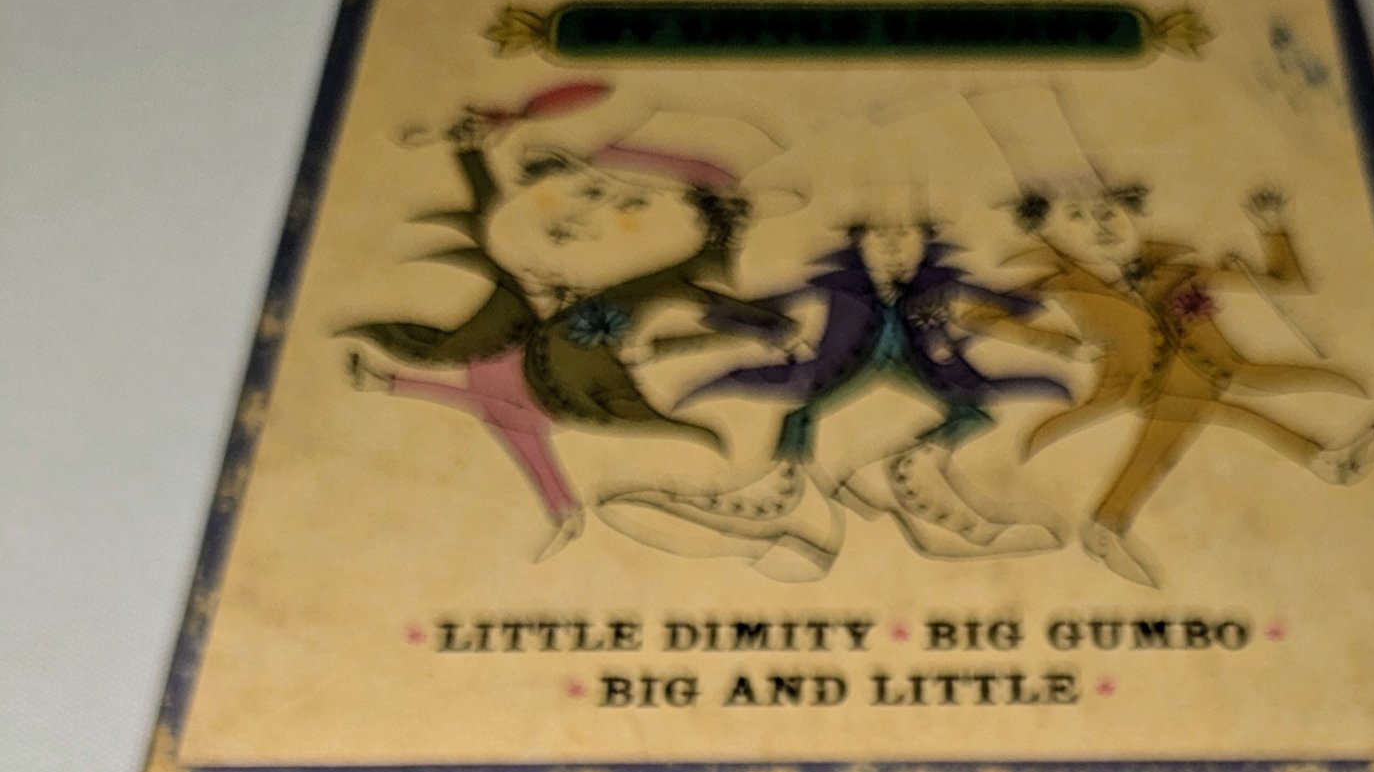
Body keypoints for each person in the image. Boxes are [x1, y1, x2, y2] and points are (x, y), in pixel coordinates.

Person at [343, 101, 794, 559]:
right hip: (509, 375)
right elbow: (492, 214)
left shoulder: (641, 297)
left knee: (501, 416)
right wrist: (470, 153)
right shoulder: (532, 268)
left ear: (704, 232)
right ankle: (564, 512)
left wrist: (763, 329)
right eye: (589, 189)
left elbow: (697, 320)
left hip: (551, 395)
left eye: (635, 205)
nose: (581, 218)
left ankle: (566, 511)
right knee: (500, 415)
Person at [970, 179, 1374, 587]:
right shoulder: (1061, 285)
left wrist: (1272, 228)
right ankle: (1322, 461)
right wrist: (1065, 346)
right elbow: (979, 315)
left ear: (1134, 215)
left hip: (1221, 371)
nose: (1100, 227)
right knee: (1222, 415)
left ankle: (1106, 524)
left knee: (1164, 443)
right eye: (1076, 216)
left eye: (1110, 212)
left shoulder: (1179, 271)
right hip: (1145, 386)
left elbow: (1287, 281)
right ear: (1047, 233)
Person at [627, 214, 1071, 563]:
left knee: (972, 413)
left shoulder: (940, 286)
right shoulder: (837, 287)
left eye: (906, 235)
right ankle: (787, 496)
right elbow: (750, 310)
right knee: (801, 413)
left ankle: (899, 471)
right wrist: (767, 330)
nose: (894, 245)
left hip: (925, 371)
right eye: (880, 236)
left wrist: (1035, 298)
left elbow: (1013, 305)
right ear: (859, 243)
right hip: (838, 370)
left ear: (925, 241)